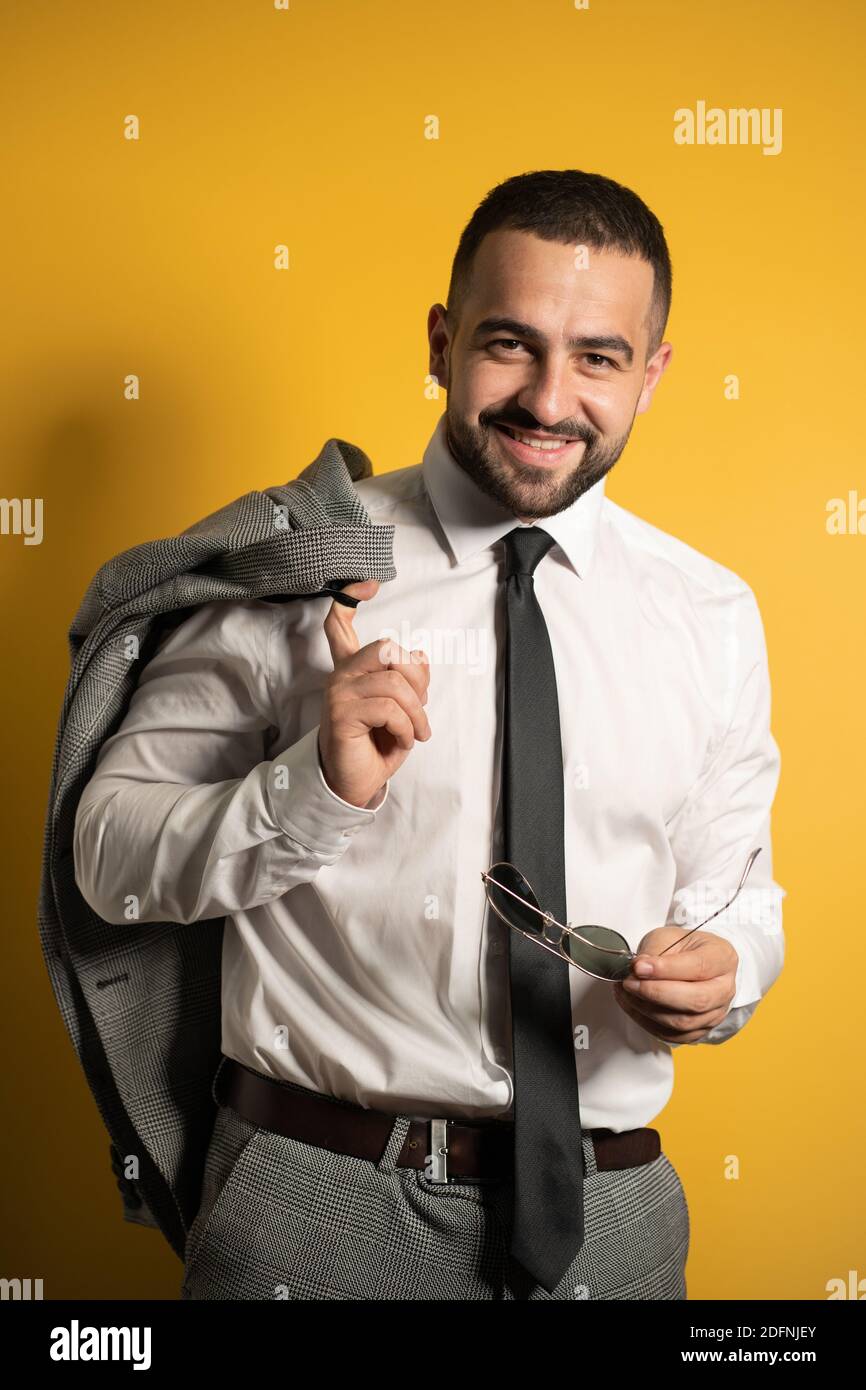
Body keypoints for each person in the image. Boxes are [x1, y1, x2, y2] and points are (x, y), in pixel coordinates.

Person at [73, 168, 784, 1301]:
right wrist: (310, 785)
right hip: (317, 1210)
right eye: (509, 344)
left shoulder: (708, 611)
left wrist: (731, 965)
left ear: (649, 377)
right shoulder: (297, 563)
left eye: (597, 358)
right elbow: (106, 857)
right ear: (441, 340)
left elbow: (738, 891)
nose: (549, 400)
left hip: (616, 1217)